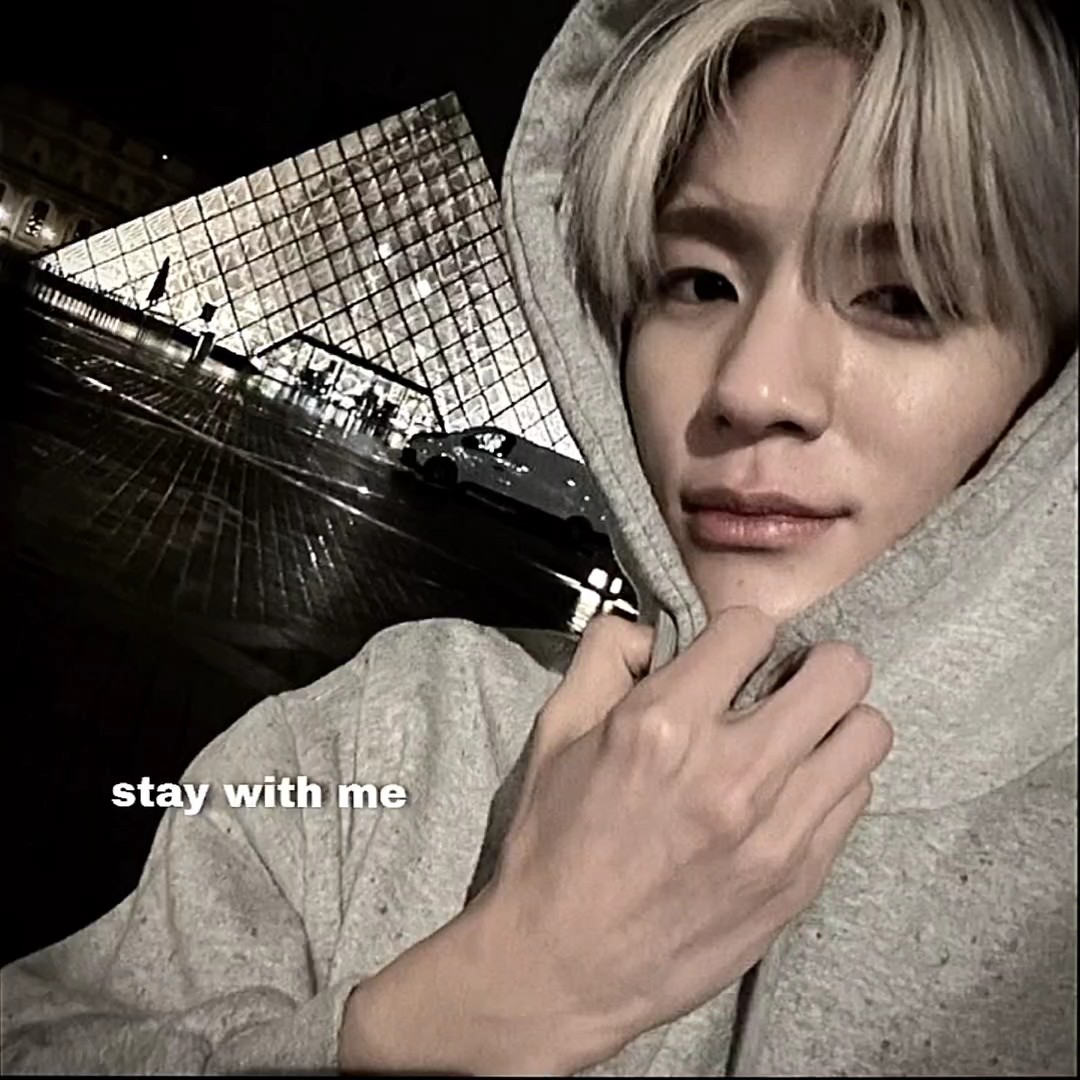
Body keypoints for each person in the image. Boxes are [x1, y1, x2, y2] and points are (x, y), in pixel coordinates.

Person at [2, 0, 1076, 1074]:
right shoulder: (386, 731)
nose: (751, 387)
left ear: (1049, 393)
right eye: (698, 282)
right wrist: (492, 1000)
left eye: (899, 298)